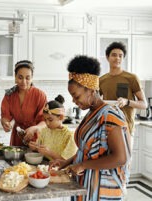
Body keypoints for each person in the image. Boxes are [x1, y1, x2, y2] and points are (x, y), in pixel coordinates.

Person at [51, 55, 131, 201]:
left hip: (103, 190)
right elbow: (87, 151)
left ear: (90, 90)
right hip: (86, 185)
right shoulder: (91, 114)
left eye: (76, 96)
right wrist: (66, 162)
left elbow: (121, 158)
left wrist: (82, 165)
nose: (74, 101)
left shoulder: (110, 116)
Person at [99, 41, 147, 138]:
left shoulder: (132, 78)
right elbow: (97, 103)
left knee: (125, 154)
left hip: (126, 128)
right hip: (107, 128)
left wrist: (127, 102)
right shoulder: (101, 80)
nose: (117, 58)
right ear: (107, 57)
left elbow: (144, 104)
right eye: (114, 55)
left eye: (120, 56)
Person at [1, 60, 47, 146]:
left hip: (35, 137)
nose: (24, 82)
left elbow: (44, 121)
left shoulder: (40, 95)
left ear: (32, 78)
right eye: (20, 77)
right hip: (17, 136)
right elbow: (5, 116)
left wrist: (35, 128)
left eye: (27, 78)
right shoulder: (9, 95)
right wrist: (6, 124)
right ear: (15, 77)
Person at [28, 95, 77, 161]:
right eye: (45, 120)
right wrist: (35, 148)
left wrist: (50, 153)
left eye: (50, 120)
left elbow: (67, 162)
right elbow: (40, 150)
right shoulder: (44, 131)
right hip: (44, 166)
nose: (47, 123)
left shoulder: (70, 136)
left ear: (61, 117)